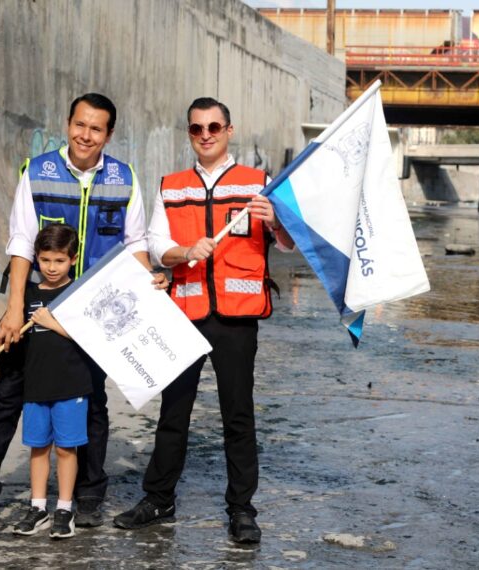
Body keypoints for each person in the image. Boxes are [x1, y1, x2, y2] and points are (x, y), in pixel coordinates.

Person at [0, 93, 165, 528]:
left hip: (91, 315)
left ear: (109, 134)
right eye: (79, 125)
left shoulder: (124, 178)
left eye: (96, 128)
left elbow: (135, 242)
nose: (86, 135)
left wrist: (150, 280)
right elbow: (20, 241)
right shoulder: (38, 171)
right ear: (67, 124)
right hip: (33, 307)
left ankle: (87, 495)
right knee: (7, 399)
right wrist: (13, 310)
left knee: (92, 403)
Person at [114, 97, 294, 544]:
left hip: (237, 317)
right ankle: (158, 498)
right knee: (174, 412)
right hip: (184, 312)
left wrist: (275, 222)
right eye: (197, 128)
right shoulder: (172, 187)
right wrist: (184, 252)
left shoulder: (259, 184)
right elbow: (156, 244)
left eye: (214, 126)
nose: (206, 134)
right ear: (190, 133)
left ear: (229, 130)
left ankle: (241, 510)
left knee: (238, 416)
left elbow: (290, 244)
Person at [0, 224, 95, 539]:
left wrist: (52, 324)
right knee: (38, 448)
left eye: (59, 261)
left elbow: (94, 339)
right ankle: (38, 507)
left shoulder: (80, 294)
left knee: (67, 449)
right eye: (45, 261)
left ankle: (65, 510)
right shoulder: (27, 296)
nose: (52, 268)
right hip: (35, 388)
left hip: (71, 387)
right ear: (36, 260)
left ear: (72, 259)